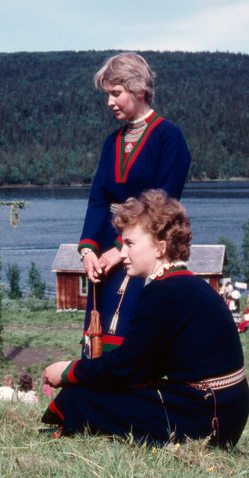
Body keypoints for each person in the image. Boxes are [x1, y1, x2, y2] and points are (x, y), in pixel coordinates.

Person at [42, 190, 249, 447]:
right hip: (224, 410)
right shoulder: (186, 284)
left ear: (160, 248)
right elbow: (142, 365)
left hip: (207, 417)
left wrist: (68, 370)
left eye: (129, 243)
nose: (123, 252)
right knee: (103, 391)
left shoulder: (164, 291)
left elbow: (123, 368)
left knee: (81, 395)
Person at [78, 52, 191, 360]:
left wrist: (122, 249)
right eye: (108, 94)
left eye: (116, 93)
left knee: (129, 327)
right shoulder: (111, 142)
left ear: (139, 90)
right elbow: (98, 199)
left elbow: (163, 204)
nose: (110, 102)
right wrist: (88, 251)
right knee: (99, 325)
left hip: (146, 247)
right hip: (105, 245)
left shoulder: (169, 137)